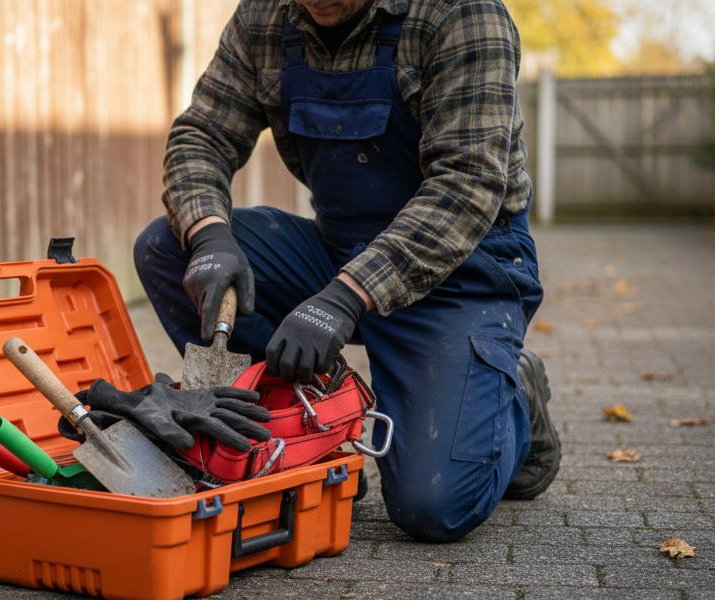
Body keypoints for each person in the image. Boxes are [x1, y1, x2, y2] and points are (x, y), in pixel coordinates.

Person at [133, 0, 560, 542]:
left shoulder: (462, 14)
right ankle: (304, 434)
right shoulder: (265, 18)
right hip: (340, 250)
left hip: (463, 270)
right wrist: (209, 235)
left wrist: (344, 298)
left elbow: (467, 185)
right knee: (166, 247)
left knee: (433, 507)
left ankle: (515, 393)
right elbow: (202, 136)